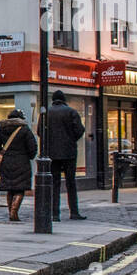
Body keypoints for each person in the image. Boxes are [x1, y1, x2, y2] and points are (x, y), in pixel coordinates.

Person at [44, 90, 87, 220]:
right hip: (69, 152)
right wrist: (71, 139)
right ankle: (74, 212)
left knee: (54, 183)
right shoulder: (71, 112)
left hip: (52, 153)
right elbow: (80, 130)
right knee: (71, 183)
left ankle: (55, 213)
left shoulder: (46, 113)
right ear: (64, 99)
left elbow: (41, 131)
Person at [0, 108, 37, 222]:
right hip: (22, 162)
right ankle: (14, 212)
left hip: (6, 162)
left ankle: (11, 212)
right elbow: (32, 147)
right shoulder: (25, 130)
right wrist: (29, 156)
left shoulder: (1, 129)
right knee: (20, 189)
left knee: (10, 189)